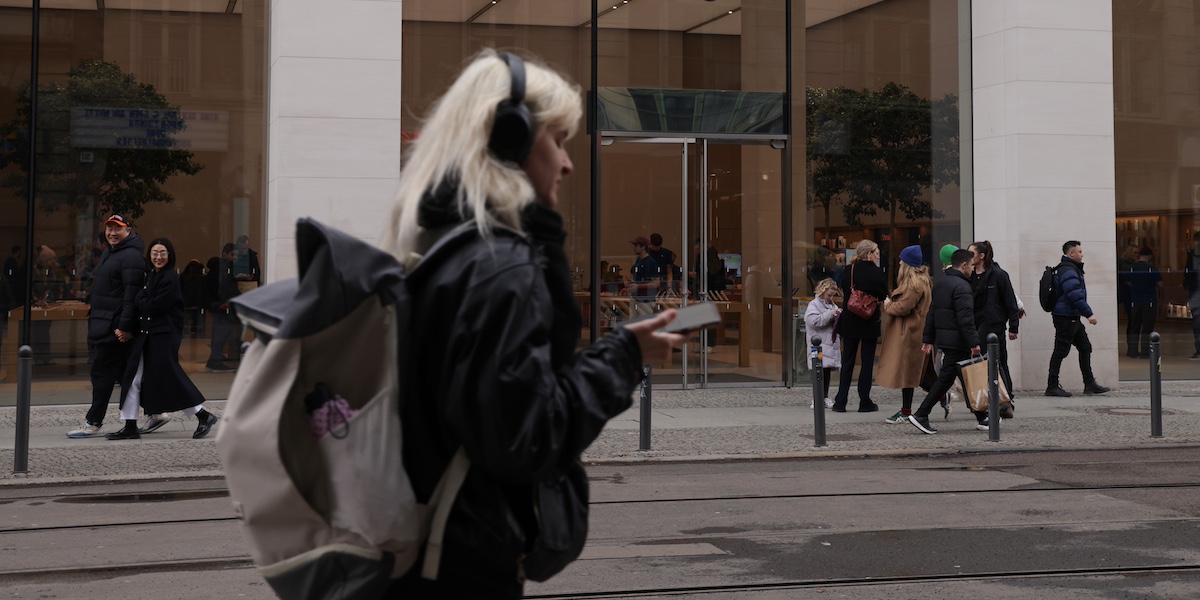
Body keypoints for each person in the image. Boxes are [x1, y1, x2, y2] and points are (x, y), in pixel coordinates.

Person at [380, 49, 685, 596]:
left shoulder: (439, 252)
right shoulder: (499, 269)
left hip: (415, 551)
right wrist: (623, 358)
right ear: (511, 140)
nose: (568, 164)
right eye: (559, 139)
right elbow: (526, 437)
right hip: (460, 566)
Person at [105, 238, 219, 440]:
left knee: (170, 378)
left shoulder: (169, 278)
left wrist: (141, 297)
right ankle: (130, 424)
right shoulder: (152, 276)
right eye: (155, 253)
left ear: (170, 255)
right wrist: (144, 296)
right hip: (149, 336)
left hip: (163, 337)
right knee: (133, 378)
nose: (158, 257)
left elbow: (153, 306)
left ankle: (203, 415)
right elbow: (147, 301)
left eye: (162, 253)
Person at [67, 214, 145, 438]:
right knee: (125, 375)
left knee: (101, 374)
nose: (112, 232)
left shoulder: (130, 257)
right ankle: (157, 413)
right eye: (109, 228)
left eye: (117, 228)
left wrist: (125, 326)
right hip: (104, 324)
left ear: (128, 230)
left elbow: (132, 296)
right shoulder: (111, 253)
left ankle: (94, 421)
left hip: (114, 329)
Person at [907, 248, 982, 435]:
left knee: (960, 377)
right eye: (972, 266)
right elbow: (966, 319)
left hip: (946, 339)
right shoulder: (963, 286)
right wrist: (974, 343)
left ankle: (984, 416)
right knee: (950, 378)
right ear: (964, 265)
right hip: (958, 341)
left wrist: (929, 338)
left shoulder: (941, 283)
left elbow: (932, 313)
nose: (973, 269)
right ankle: (921, 414)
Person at [831, 239, 888, 413]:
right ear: (869, 254)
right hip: (869, 320)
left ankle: (841, 401)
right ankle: (864, 401)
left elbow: (844, 288)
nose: (878, 256)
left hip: (850, 320)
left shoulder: (849, 270)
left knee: (847, 361)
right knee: (867, 361)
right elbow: (883, 294)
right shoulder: (878, 273)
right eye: (876, 253)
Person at [1046, 240, 1110, 397]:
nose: (1082, 254)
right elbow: (1074, 294)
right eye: (1080, 252)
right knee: (1061, 350)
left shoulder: (1069, 268)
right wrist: (1089, 314)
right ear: (1071, 254)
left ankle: (1089, 384)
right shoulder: (1068, 270)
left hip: (1070, 315)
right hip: (1066, 316)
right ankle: (1052, 386)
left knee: (1085, 347)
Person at [877, 245, 933, 424]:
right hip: (913, 331)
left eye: (902, 259)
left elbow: (903, 307)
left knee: (907, 375)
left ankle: (906, 411)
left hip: (910, 333)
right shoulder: (920, 281)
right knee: (917, 374)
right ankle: (941, 398)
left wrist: (888, 305)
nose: (899, 262)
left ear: (907, 263)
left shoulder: (914, 284)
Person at [967, 240, 1020, 398]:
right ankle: (986, 398)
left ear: (981, 256)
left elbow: (1010, 301)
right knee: (980, 363)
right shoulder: (969, 276)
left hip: (993, 325)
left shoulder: (998, 274)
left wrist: (1013, 327)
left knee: (999, 362)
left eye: (972, 253)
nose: (969, 257)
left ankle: (1007, 397)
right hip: (975, 324)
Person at [803, 278, 841, 408]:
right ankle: (817, 398)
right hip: (819, 345)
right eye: (829, 294)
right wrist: (830, 314)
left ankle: (824, 396)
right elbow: (813, 321)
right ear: (822, 291)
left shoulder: (831, 305)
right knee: (818, 372)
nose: (830, 297)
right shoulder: (813, 305)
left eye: (832, 295)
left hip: (828, 345)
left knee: (826, 372)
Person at [205, 243, 240, 372]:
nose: (235, 257)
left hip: (221, 304)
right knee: (222, 333)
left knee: (222, 333)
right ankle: (215, 361)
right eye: (232, 254)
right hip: (222, 305)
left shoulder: (223, 268)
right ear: (225, 254)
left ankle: (214, 360)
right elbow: (224, 288)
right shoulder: (223, 268)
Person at [1124, 247, 1161, 358]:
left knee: (1134, 326)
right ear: (1149, 256)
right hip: (1149, 300)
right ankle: (1145, 352)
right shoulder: (1151, 268)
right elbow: (1160, 284)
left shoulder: (1132, 268)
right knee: (1147, 327)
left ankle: (1132, 351)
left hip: (1135, 300)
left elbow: (1127, 281)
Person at [627, 235, 661, 310]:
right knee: (633, 320)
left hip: (645, 300)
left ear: (643, 247)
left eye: (636, 245)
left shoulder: (651, 263)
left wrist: (638, 286)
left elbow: (656, 283)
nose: (634, 248)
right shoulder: (638, 260)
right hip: (635, 298)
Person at [179, 259, 207, 337]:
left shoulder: (183, 276)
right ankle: (200, 336)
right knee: (199, 322)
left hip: (186, 302)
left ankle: (185, 335)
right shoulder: (201, 278)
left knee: (186, 322)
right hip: (199, 303)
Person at [1185, 231, 1200, 360]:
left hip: (1195, 291)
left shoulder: (1192, 254)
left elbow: (1188, 273)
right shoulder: (1192, 254)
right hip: (1195, 291)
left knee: (1197, 322)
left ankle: (1199, 350)